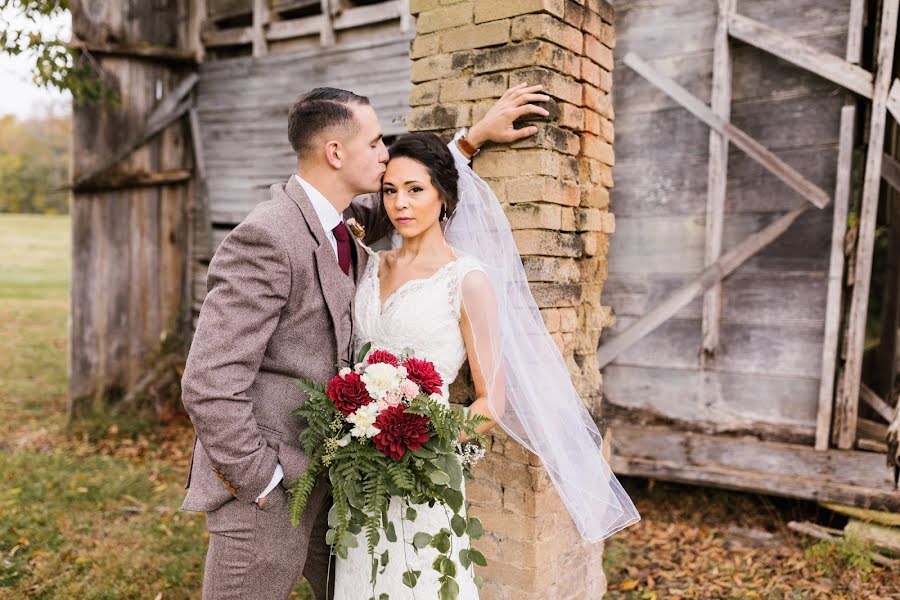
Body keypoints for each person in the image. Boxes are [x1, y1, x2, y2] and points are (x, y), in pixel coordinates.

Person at [180, 84, 550, 599]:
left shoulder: (343, 226)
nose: (384, 156)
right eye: (376, 143)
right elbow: (209, 382)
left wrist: (470, 142)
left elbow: (414, 199)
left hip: (345, 482)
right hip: (270, 486)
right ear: (336, 152)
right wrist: (262, 477)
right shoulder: (268, 236)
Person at [337, 131, 641, 598]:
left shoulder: (468, 279)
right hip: (358, 472)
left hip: (422, 469)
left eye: (415, 189)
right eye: (390, 190)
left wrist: (420, 447)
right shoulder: (370, 265)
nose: (400, 203)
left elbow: (491, 400)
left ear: (444, 196)